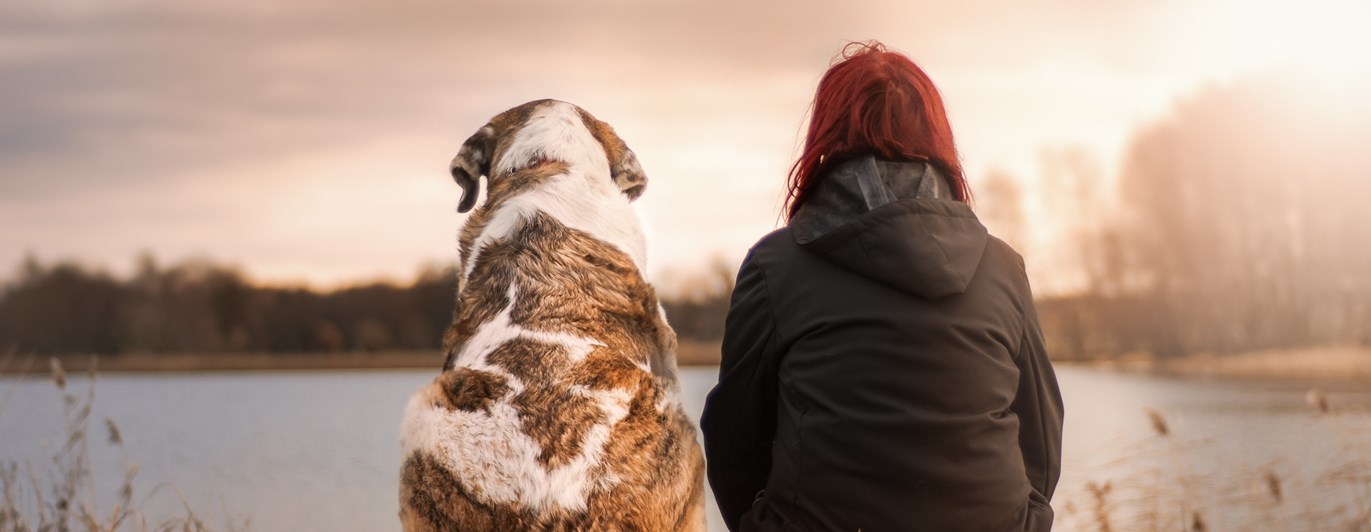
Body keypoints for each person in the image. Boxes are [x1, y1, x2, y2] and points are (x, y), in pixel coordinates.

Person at [700, 41, 1064, 531]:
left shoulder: (775, 265)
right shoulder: (1003, 267)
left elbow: (734, 441)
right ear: (936, 136)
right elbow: (1042, 441)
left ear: (826, 135)